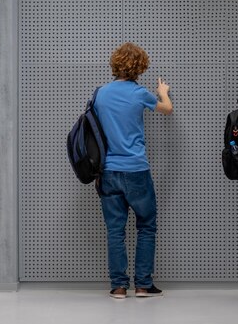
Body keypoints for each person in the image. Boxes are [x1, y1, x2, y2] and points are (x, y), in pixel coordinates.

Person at [93, 42, 173, 299]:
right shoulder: (140, 93)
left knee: (115, 230)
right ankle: (142, 284)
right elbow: (167, 109)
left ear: (115, 64)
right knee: (146, 226)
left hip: (107, 171)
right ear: (140, 67)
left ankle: (118, 286)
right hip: (136, 169)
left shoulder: (100, 93)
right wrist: (163, 92)